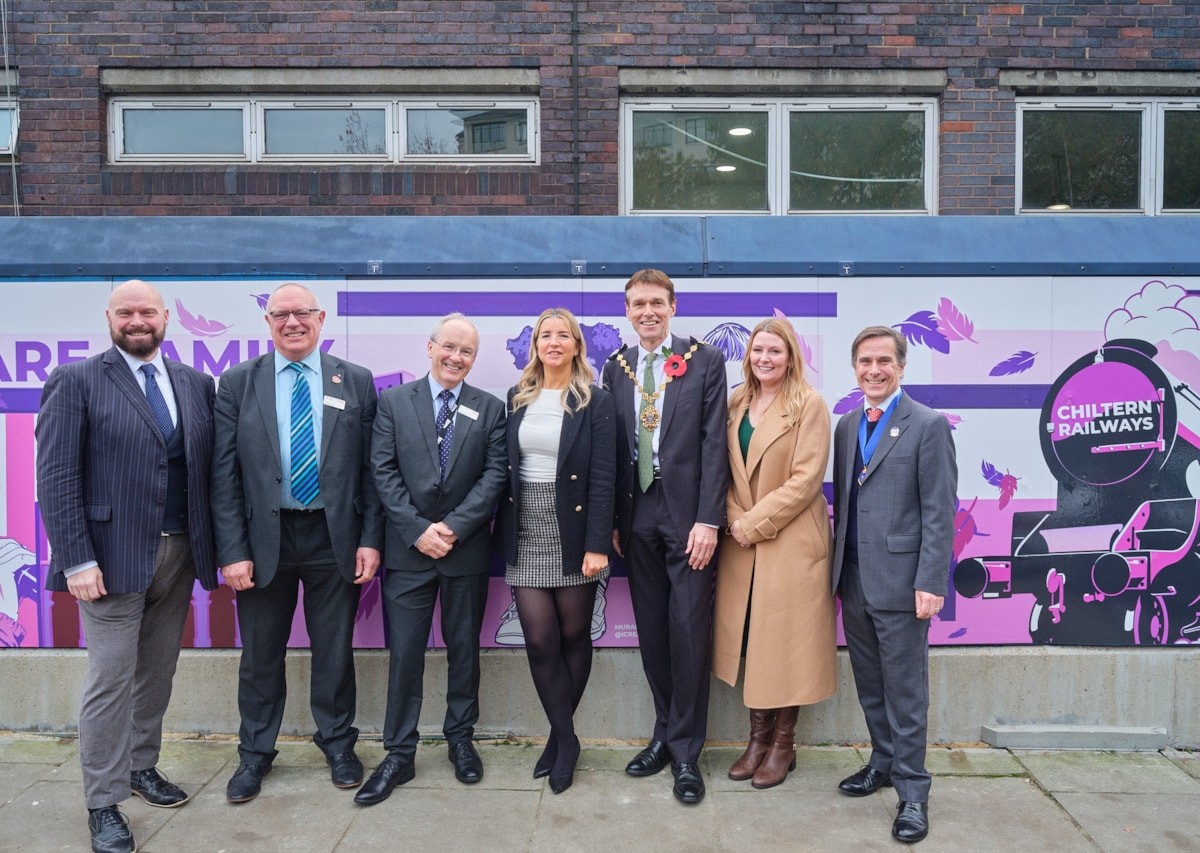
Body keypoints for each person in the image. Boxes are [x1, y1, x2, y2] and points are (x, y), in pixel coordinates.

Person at [36, 280, 217, 853]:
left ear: (166, 318)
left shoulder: (194, 383)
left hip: (180, 552)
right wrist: (76, 558)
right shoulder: (77, 379)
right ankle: (103, 802)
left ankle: (141, 767)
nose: (137, 320)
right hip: (108, 561)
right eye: (125, 312)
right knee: (110, 681)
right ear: (109, 319)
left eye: (147, 312)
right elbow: (55, 476)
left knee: (157, 672)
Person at [210, 282, 383, 804]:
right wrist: (232, 550)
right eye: (281, 314)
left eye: (302, 313)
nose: (292, 322)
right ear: (267, 322)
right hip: (265, 537)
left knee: (334, 650)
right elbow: (224, 475)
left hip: (334, 536)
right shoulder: (239, 383)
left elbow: (371, 472)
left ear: (321, 318)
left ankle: (337, 744)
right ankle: (255, 755)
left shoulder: (354, 381)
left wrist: (371, 540)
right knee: (261, 654)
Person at [357, 313, 506, 806]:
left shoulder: (490, 408)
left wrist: (455, 528)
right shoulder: (395, 402)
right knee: (405, 657)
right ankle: (399, 752)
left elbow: (493, 476)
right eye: (449, 346)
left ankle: (460, 740)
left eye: (466, 352)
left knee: (464, 651)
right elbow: (382, 470)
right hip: (408, 554)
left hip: (465, 553)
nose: (456, 357)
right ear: (430, 347)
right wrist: (418, 531)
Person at [600, 268, 729, 805]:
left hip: (687, 517)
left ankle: (686, 752)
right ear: (627, 311)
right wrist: (609, 518)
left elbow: (714, 444)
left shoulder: (704, 360)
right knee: (651, 630)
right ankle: (663, 732)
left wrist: (707, 520)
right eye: (637, 304)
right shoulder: (615, 366)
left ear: (673, 306)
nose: (646, 311)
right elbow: (608, 447)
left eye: (656, 302)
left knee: (688, 632)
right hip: (637, 516)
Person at [830, 325, 957, 844]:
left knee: (906, 692)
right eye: (865, 361)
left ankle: (913, 793)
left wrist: (931, 581)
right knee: (871, 685)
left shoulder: (927, 425)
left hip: (904, 584)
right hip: (853, 578)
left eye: (884, 361)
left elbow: (939, 511)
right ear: (855, 367)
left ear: (901, 367)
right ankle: (882, 762)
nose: (874, 370)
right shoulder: (846, 425)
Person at [712, 317, 837, 790]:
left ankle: (783, 745)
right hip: (741, 538)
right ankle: (756, 739)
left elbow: (805, 481)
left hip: (788, 540)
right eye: (758, 350)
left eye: (775, 351)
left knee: (787, 644)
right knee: (752, 640)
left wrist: (753, 524)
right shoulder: (735, 402)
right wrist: (732, 518)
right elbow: (720, 468)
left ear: (791, 357)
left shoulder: (810, 404)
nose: (765, 359)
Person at [494, 308, 616, 794]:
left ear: (576, 345)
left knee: (573, 635)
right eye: (546, 335)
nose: (554, 342)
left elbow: (605, 476)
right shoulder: (516, 397)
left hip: (575, 524)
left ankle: (559, 740)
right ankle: (567, 738)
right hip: (525, 524)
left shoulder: (596, 400)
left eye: (563, 335)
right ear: (536, 346)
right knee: (540, 639)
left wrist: (596, 544)